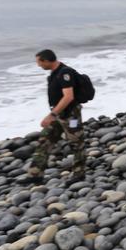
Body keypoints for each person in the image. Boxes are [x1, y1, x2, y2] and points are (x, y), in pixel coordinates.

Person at [28, 49, 87, 183]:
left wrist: (51, 115)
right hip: (58, 115)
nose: (38, 65)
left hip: (71, 115)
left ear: (46, 61)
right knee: (44, 140)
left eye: (39, 62)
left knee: (76, 143)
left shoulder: (65, 73)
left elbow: (68, 97)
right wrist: (54, 114)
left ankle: (79, 174)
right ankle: (35, 175)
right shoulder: (54, 74)